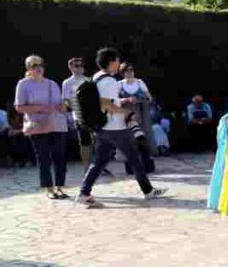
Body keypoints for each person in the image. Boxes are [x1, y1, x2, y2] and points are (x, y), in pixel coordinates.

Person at [75, 48, 167, 208]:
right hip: (115, 127)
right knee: (134, 158)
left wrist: (122, 101)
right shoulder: (109, 81)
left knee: (100, 161)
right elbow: (105, 103)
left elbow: (106, 101)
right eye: (117, 60)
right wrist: (126, 112)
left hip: (102, 127)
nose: (119, 63)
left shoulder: (97, 77)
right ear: (111, 62)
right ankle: (148, 191)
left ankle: (84, 192)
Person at [14, 55, 70, 199]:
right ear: (28, 69)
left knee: (60, 156)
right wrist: (41, 108)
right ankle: (49, 189)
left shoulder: (52, 83)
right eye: (34, 65)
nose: (39, 68)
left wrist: (64, 106)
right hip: (37, 125)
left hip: (56, 123)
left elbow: (60, 104)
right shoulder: (23, 84)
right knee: (43, 158)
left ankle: (60, 187)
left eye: (40, 65)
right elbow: (19, 107)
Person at [118, 63, 156, 175]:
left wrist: (141, 99)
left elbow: (149, 98)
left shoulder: (140, 82)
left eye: (131, 70)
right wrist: (127, 100)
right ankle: (130, 167)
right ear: (123, 73)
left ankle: (147, 165)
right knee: (130, 139)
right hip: (127, 115)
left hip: (142, 115)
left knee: (144, 138)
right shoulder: (119, 84)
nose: (130, 72)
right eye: (127, 70)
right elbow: (114, 100)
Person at [61, 57, 92, 167]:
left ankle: (98, 166)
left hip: (93, 115)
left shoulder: (89, 80)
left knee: (97, 141)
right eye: (77, 66)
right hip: (79, 116)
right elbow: (66, 100)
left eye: (81, 66)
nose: (80, 68)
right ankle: (87, 168)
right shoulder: (67, 82)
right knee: (84, 142)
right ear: (71, 67)